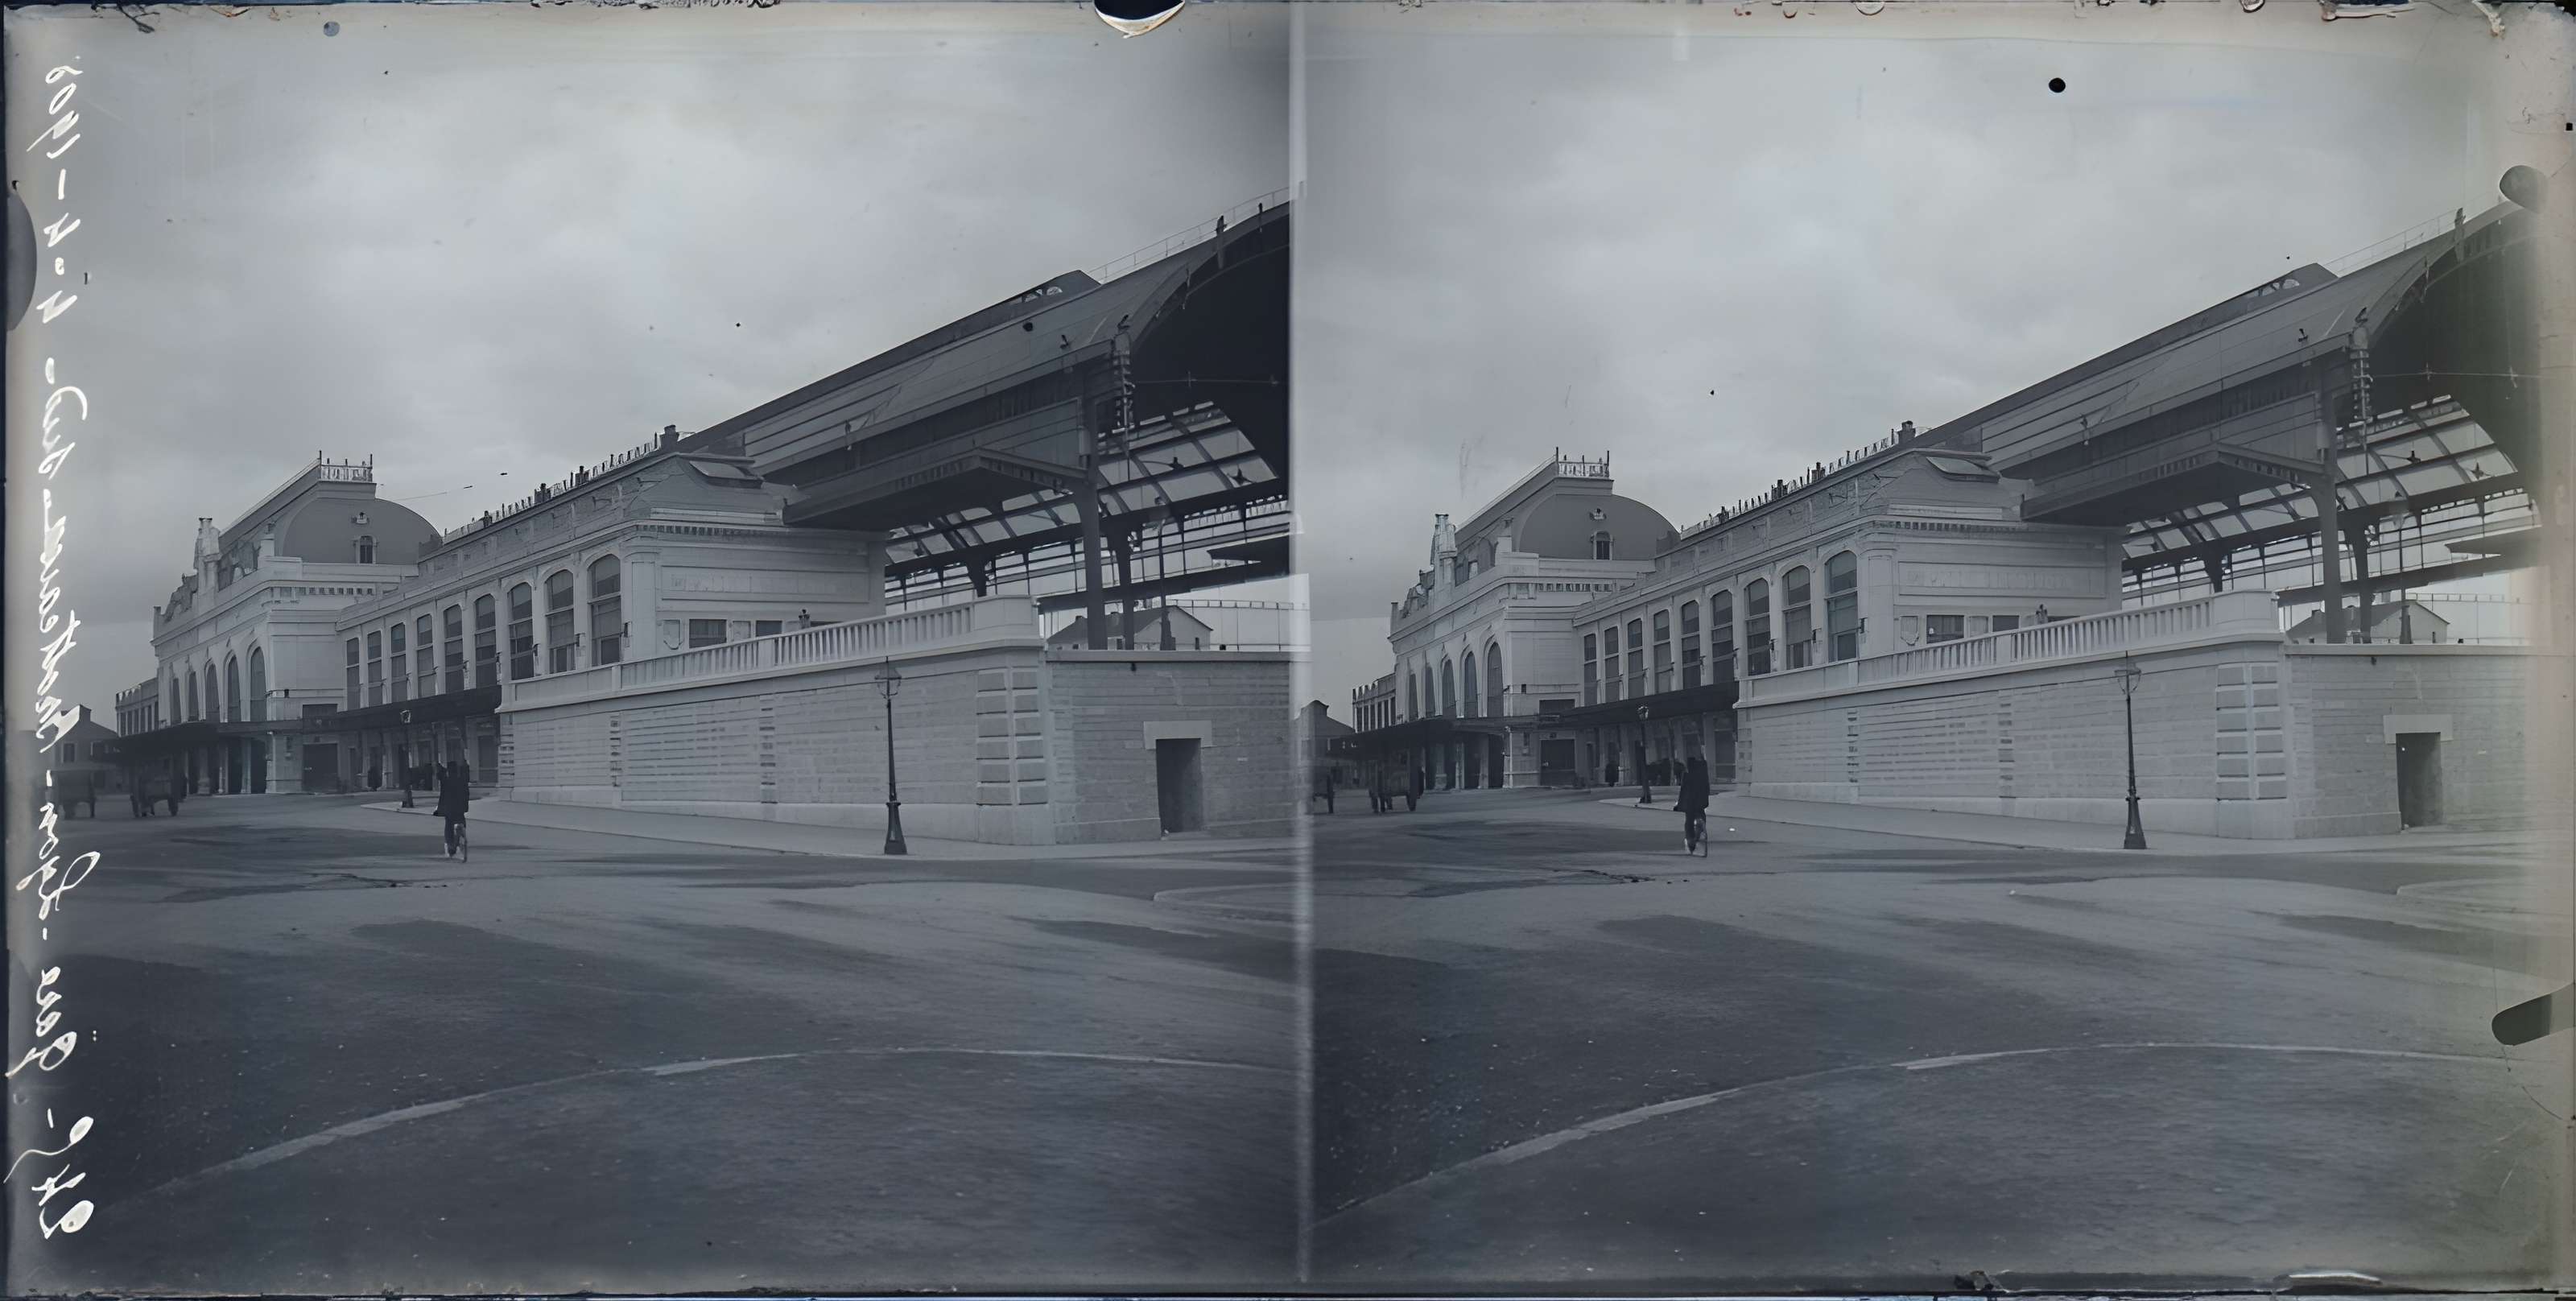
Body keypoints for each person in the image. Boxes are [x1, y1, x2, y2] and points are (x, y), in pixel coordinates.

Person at [434, 760, 472, 858]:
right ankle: (460, 836)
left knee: (449, 825)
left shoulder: (446, 780)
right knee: (461, 821)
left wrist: (438, 765)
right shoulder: (462, 779)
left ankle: (451, 846)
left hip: (449, 808)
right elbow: (466, 772)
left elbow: (440, 774)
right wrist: (465, 764)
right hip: (460, 807)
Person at [1678, 756, 1711, 855]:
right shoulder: (1703, 769)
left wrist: (1680, 802)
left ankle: (1691, 840)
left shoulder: (1687, 772)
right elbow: (1707, 785)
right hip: (1700, 798)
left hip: (1689, 799)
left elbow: (1684, 787)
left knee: (1689, 819)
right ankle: (1701, 824)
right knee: (1700, 812)